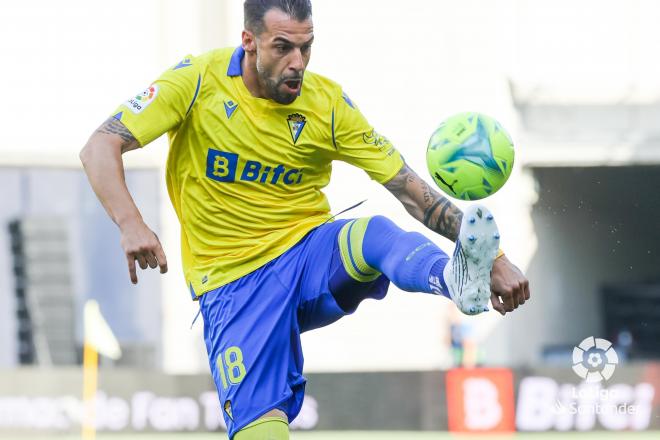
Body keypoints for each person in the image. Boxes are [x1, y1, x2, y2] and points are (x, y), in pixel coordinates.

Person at [79, 1, 530, 438]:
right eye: (282, 48)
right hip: (232, 287)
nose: (298, 62)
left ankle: (454, 279)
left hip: (307, 255)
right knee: (262, 431)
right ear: (249, 42)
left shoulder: (328, 104)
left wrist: (493, 258)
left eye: (306, 47)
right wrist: (130, 223)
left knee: (374, 235)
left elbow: (411, 191)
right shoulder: (196, 81)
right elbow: (100, 146)